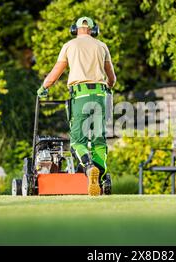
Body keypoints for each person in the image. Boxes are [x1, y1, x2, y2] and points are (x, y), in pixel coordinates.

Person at [37, 16, 116, 196]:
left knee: (77, 142)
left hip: (80, 96)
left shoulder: (69, 46)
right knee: (98, 141)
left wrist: (44, 88)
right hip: (99, 96)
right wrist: (109, 87)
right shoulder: (102, 46)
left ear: (75, 29)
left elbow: (55, 73)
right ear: (94, 30)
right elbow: (112, 77)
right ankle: (100, 178)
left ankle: (88, 168)